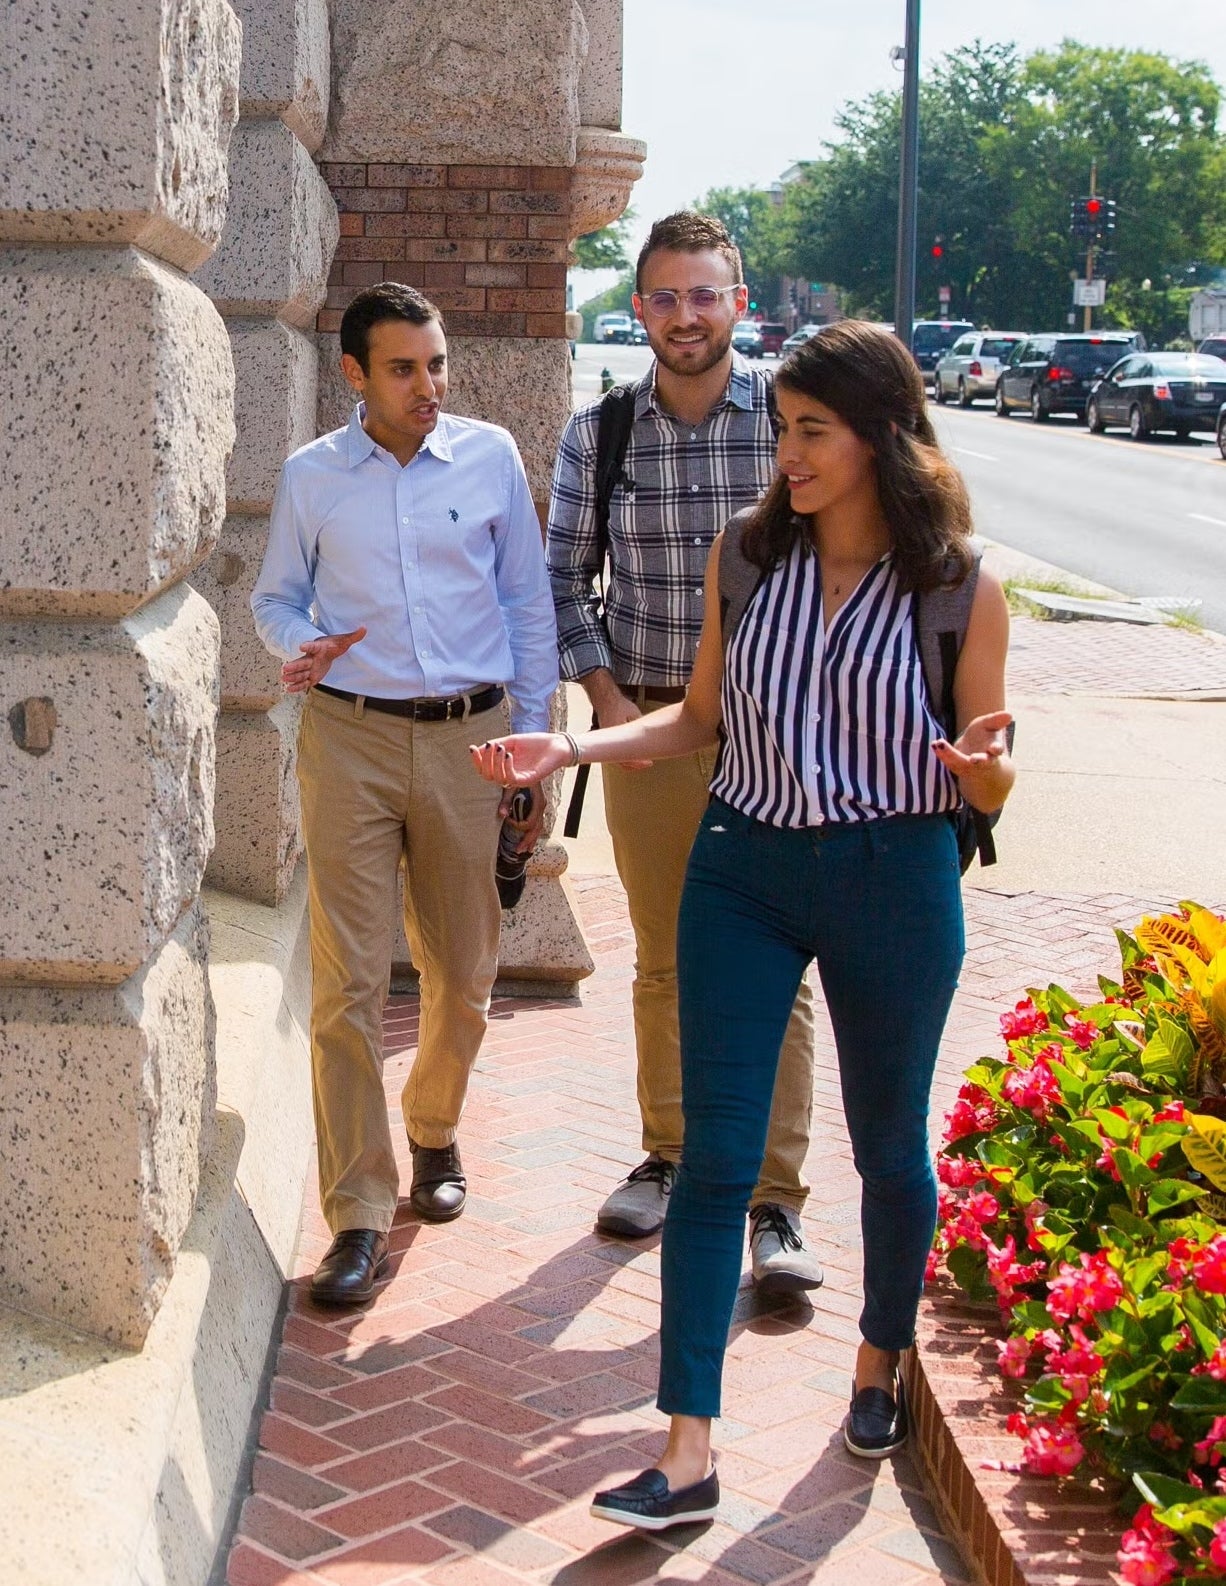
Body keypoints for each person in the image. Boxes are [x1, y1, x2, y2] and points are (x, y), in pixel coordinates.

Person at [471, 320, 1014, 1527]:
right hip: (743, 869)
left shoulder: (958, 586)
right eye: (781, 433)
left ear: (880, 437)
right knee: (714, 1161)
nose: (787, 456)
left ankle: (875, 1364)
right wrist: (570, 740)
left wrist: (985, 770)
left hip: (894, 874)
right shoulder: (746, 558)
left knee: (886, 1146)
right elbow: (691, 721)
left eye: (810, 434)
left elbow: (987, 768)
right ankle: (687, 1449)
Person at [252, 282, 557, 1306]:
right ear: (353, 375)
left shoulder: (489, 457)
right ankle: (355, 1210)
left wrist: (533, 736)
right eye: (402, 368)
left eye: (435, 365)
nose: (427, 386)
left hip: (472, 737)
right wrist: (299, 645)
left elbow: (524, 595)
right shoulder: (311, 477)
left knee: (463, 968)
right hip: (347, 736)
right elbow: (273, 594)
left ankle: (432, 1128)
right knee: (344, 981)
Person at [548, 212, 822, 1292]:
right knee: (662, 958)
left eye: (702, 295)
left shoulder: (794, 424)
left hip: (780, 740)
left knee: (776, 967)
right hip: (653, 729)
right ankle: (666, 1154)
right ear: (640, 308)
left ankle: (775, 1202)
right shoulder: (600, 432)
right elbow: (564, 580)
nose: (682, 316)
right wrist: (608, 708)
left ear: (737, 304)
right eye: (661, 297)